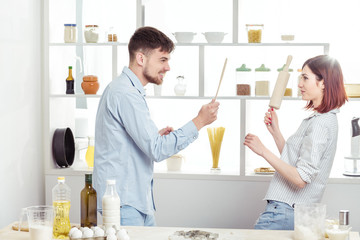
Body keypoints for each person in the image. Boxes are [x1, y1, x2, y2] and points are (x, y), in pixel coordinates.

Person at [93, 26, 220, 226]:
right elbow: (157, 150)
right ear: (141, 59)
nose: (168, 67)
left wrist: (154, 136)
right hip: (124, 203)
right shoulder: (125, 93)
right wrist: (200, 121)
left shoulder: (126, 90)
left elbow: (131, 142)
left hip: (134, 201)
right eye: (163, 60)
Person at [244, 55, 347, 230]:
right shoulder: (320, 119)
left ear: (323, 83)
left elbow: (300, 179)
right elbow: (296, 164)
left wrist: (263, 151)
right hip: (287, 211)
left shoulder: (321, 123)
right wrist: (276, 132)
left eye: (305, 78)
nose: (299, 84)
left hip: (284, 211)